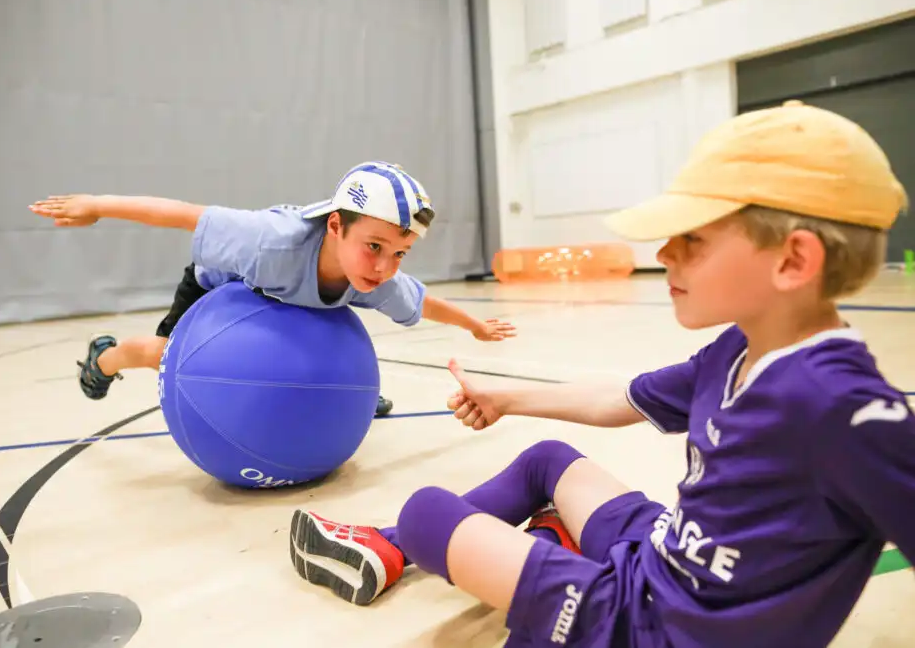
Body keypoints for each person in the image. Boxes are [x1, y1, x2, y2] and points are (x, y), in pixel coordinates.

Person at [286, 101, 915, 648]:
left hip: (650, 626)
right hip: (664, 555)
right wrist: (505, 397)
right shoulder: (740, 350)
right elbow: (622, 398)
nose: (664, 254)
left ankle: (425, 548)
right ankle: (411, 548)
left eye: (691, 239)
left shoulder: (848, 408)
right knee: (548, 460)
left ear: (793, 259)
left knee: (429, 511)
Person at [29, 161, 516, 417]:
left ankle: (349, 397)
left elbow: (422, 300)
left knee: (322, 338)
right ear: (334, 227)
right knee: (162, 354)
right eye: (374, 246)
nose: (386, 265)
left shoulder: (373, 278)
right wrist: (96, 204)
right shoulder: (270, 242)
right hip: (221, 292)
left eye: (400, 253)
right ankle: (105, 358)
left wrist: (474, 326)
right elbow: (183, 214)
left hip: (286, 305)